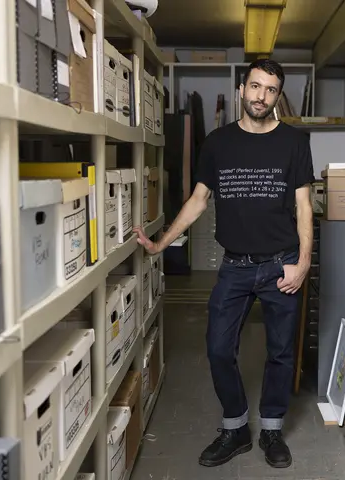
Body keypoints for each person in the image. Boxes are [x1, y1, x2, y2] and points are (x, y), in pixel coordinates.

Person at [133, 58, 315, 469]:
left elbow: (304, 207)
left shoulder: (294, 142)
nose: (261, 96)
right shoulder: (216, 143)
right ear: (241, 89)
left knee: (281, 352)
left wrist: (303, 263)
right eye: (255, 87)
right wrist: (162, 242)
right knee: (218, 348)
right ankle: (235, 428)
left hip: (281, 263)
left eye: (270, 90)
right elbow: (199, 199)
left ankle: (270, 429)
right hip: (235, 266)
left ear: (277, 96)